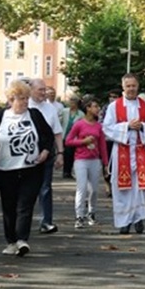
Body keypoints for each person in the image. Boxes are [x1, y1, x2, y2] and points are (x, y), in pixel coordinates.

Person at [0, 80, 55, 257]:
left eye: (26, 98)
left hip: (31, 168)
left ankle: (22, 239)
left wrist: (45, 151)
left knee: (25, 204)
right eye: (20, 98)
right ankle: (11, 241)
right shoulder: (1, 117)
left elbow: (48, 136)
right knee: (9, 207)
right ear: (10, 100)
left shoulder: (34, 115)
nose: (24, 102)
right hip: (6, 170)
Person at [103, 73, 145, 234]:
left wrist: (143, 127)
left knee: (141, 187)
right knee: (122, 188)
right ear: (123, 87)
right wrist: (127, 126)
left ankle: (138, 217)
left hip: (141, 151)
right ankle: (124, 221)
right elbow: (107, 127)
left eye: (133, 85)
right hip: (122, 150)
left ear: (138, 86)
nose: (131, 89)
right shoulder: (114, 107)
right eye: (128, 86)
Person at [63, 96, 108, 228]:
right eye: (95, 106)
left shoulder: (98, 126)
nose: (98, 109)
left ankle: (91, 213)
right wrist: (83, 141)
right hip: (81, 160)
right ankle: (79, 216)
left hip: (94, 160)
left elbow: (102, 146)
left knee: (94, 189)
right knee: (81, 188)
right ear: (88, 108)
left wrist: (105, 163)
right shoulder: (79, 124)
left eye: (98, 107)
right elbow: (68, 141)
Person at [28, 79, 64, 234]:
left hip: (47, 152)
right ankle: (23, 221)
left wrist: (60, 153)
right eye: (40, 90)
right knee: (27, 189)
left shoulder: (50, 108)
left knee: (45, 187)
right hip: (27, 154)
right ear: (31, 90)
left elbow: (57, 132)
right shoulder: (24, 106)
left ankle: (46, 221)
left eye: (45, 90)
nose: (44, 93)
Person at [62, 96, 84, 178]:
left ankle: (68, 171)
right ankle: (65, 171)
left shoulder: (81, 114)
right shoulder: (64, 111)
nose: (71, 104)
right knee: (65, 154)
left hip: (74, 138)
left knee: (70, 154)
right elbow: (60, 121)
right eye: (70, 102)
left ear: (77, 104)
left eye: (73, 103)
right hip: (64, 135)